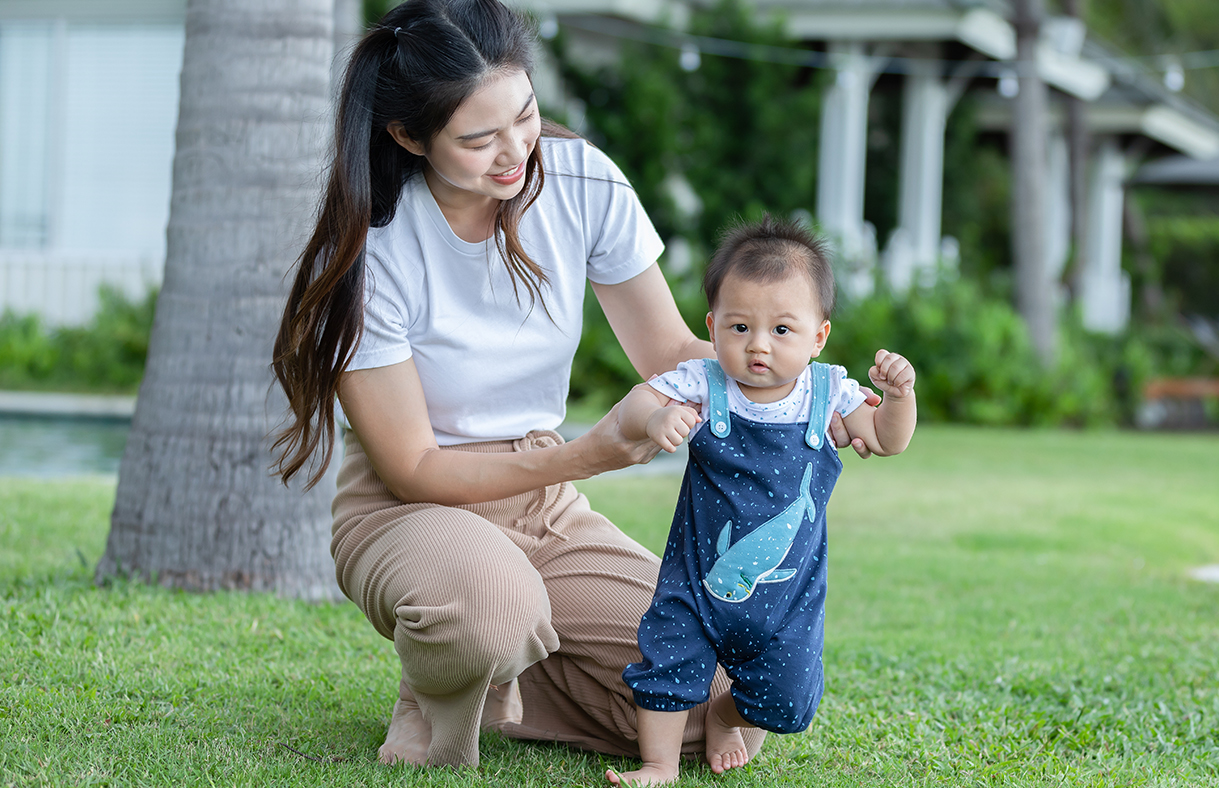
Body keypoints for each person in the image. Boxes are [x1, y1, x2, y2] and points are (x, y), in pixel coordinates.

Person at [270, 0, 873, 769]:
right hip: (409, 507)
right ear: (407, 136)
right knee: (490, 607)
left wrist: (805, 393)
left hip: (542, 506)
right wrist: (592, 454)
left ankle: (497, 672)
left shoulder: (581, 179)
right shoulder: (374, 250)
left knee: (718, 685)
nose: (515, 150)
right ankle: (450, 679)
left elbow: (668, 350)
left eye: (524, 114)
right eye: (478, 138)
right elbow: (413, 467)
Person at [605, 217, 917, 786]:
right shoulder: (702, 381)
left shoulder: (829, 395)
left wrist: (899, 397)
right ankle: (659, 764)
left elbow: (887, 439)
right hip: (697, 582)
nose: (758, 346)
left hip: (786, 599)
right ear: (713, 325)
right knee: (667, 664)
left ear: (818, 337)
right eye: (740, 326)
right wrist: (655, 416)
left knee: (788, 696)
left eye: (781, 330)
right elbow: (634, 403)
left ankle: (726, 716)